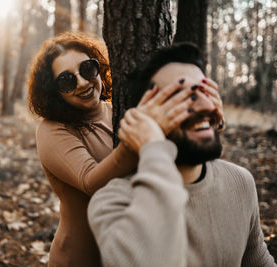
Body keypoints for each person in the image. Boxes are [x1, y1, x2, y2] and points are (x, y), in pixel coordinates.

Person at [87, 43, 276, 267]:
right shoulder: (112, 203)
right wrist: (152, 145)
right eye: (178, 96)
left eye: (204, 91)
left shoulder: (240, 182)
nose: (206, 105)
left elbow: (259, 261)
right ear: (144, 118)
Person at [27, 33, 204, 266]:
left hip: (136, 252)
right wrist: (141, 138)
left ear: (98, 67)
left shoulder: (119, 110)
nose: (82, 82)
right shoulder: (52, 130)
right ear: (55, 92)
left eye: (87, 69)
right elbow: (91, 182)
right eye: (67, 81)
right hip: (81, 259)